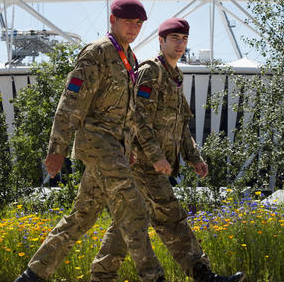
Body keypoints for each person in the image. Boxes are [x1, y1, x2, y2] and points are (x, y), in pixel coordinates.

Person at [14, 0, 165, 282]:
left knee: (82, 216)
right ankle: (153, 277)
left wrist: (128, 146)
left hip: (114, 149)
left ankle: (33, 275)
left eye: (139, 23)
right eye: (128, 22)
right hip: (97, 144)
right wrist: (57, 149)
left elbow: (129, 111)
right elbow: (71, 102)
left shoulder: (130, 58)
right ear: (112, 20)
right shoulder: (97, 53)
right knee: (134, 211)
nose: (134, 28)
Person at [89, 18, 245, 282]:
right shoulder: (151, 71)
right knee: (171, 218)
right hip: (143, 164)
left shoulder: (175, 77)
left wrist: (194, 157)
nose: (180, 43)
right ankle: (203, 275)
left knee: (128, 224)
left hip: (154, 166)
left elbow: (180, 124)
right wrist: (157, 157)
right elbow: (138, 118)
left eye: (184, 38)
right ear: (161, 41)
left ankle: (101, 276)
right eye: (174, 38)